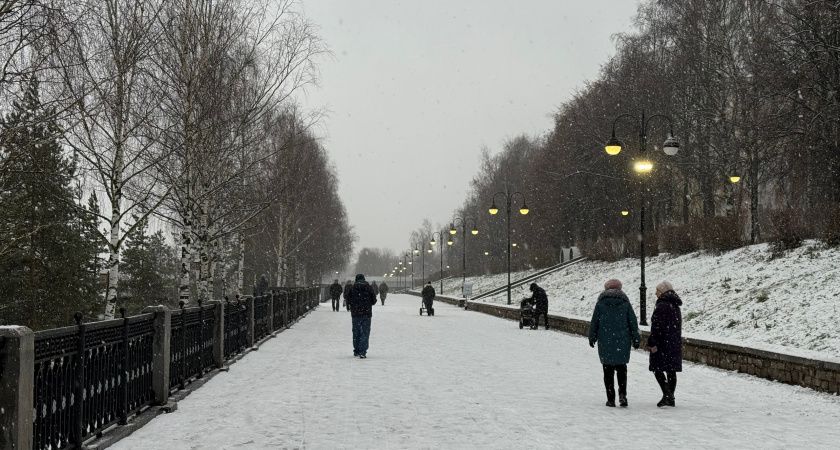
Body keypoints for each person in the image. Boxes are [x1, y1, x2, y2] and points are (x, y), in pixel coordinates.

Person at [588, 279, 641, 407]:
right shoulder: (625, 302)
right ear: (620, 289)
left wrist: (592, 337)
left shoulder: (600, 303)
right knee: (622, 369)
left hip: (605, 340)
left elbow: (595, 321)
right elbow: (632, 322)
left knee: (608, 371)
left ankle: (611, 399)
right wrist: (636, 338)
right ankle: (622, 394)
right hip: (622, 341)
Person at [646, 281, 683, 407]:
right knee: (671, 370)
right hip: (673, 342)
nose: (656, 293)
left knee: (657, 368)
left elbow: (657, 326)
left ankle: (667, 394)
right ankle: (669, 397)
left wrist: (652, 342)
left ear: (662, 291)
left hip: (662, 343)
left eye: (657, 290)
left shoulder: (662, 305)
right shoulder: (675, 305)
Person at [348, 274, 377, 358]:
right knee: (365, 332)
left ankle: (356, 349)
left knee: (356, 332)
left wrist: (355, 304)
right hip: (366, 313)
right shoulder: (369, 288)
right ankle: (363, 350)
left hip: (355, 314)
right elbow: (374, 301)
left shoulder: (352, 288)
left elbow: (348, 300)